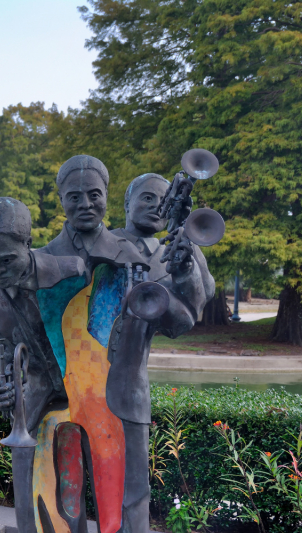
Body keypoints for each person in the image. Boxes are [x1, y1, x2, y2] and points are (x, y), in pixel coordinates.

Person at [108, 173, 215, 533]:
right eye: (147, 198)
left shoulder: (168, 251)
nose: (156, 207)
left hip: (131, 385)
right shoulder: (101, 241)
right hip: (79, 377)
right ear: (126, 204)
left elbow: (187, 316)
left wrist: (185, 262)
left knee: (136, 486)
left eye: (162, 200)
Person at [0, 197, 86, 533]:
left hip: (83, 396)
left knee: (73, 490)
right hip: (32, 401)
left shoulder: (72, 274)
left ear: (28, 244)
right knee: (25, 487)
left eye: (6, 260)